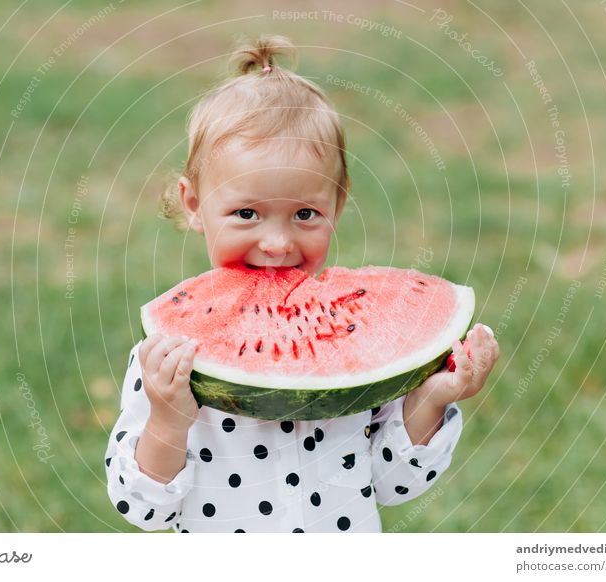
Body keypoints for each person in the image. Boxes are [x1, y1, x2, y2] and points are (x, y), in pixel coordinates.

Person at [105, 34, 499, 533]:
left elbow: (392, 481)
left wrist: (432, 398)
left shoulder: (361, 348)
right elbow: (142, 509)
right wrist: (167, 417)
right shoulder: (168, 359)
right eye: (246, 213)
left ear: (338, 203)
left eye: (305, 214)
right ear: (192, 203)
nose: (276, 242)